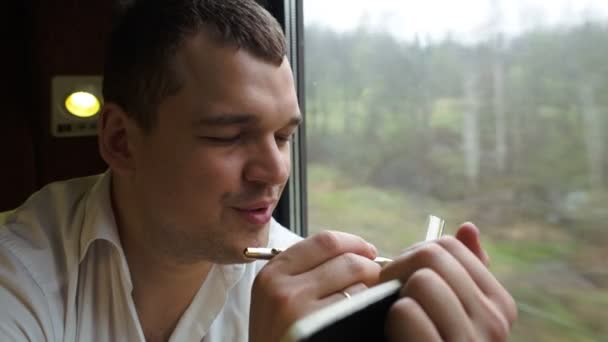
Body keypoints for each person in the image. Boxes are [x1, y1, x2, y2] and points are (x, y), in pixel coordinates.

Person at [0, 0, 517, 341]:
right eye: (228, 136)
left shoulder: (317, 297)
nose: (274, 170)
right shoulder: (19, 273)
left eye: (284, 136)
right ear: (120, 141)